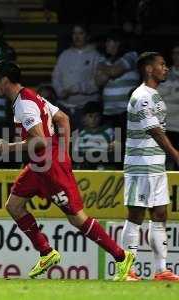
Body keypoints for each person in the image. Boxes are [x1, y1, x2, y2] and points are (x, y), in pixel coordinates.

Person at [0, 60, 134, 281]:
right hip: (39, 165)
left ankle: (121, 257)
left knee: (77, 218)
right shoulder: (31, 96)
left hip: (49, 167)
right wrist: (63, 152)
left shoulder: (24, 104)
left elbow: (40, 140)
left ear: (5, 80)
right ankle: (46, 252)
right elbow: (63, 119)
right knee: (14, 205)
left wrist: (9, 148)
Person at [122, 52, 179, 281]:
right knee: (136, 214)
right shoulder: (142, 96)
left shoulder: (154, 95)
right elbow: (154, 129)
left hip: (155, 165)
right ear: (148, 69)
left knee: (160, 214)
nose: (165, 69)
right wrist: (175, 154)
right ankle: (127, 269)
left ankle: (161, 270)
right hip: (140, 165)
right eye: (162, 65)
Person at [52, 24, 101, 129]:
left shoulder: (95, 55)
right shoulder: (64, 55)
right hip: (64, 107)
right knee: (64, 142)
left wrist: (78, 88)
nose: (77, 37)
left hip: (85, 110)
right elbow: (56, 76)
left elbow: (98, 82)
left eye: (81, 33)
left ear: (87, 36)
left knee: (82, 142)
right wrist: (60, 90)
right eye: (74, 33)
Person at [72, 101, 115, 170]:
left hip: (103, 164)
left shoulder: (109, 131)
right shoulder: (81, 134)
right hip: (86, 165)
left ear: (101, 117)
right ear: (84, 118)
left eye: (97, 116)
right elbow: (77, 154)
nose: (93, 119)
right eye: (90, 116)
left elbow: (114, 148)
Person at [157, 45, 179, 170]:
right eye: (175, 53)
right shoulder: (165, 73)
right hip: (166, 126)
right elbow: (157, 94)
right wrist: (174, 92)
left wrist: (168, 92)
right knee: (165, 163)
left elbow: (164, 94)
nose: (177, 56)